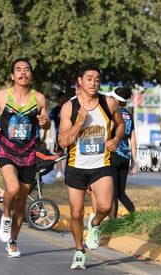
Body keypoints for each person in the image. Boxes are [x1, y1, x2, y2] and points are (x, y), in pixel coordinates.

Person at [57, 64, 125, 270]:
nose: (94, 83)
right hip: (76, 166)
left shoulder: (108, 102)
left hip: (101, 164)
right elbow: (62, 141)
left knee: (105, 206)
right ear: (80, 81)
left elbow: (120, 124)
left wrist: (116, 139)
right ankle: (79, 251)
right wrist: (79, 123)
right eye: (89, 79)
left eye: (97, 79)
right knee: (76, 213)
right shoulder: (70, 107)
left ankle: (94, 224)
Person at [0, 58, 50, 258]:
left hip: (29, 154)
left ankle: (13, 241)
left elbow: (45, 124)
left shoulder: (39, 98)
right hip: (6, 150)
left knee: (21, 201)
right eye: (18, 70)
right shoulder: (2, 96)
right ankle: (5, 217)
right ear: (13, 76)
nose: (23, 73)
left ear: (31, 75)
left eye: (27, 70)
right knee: (12, 188)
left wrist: (45, 122)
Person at [107, 87, 136, 219]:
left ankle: (113, 223)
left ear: (116, 100)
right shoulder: (129, 116)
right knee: (121, 193)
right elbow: (133, 139)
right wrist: (134, 160)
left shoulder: (115, 114)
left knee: (112, 193)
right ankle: (136, 216)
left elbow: (109, 131)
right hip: (125, 157)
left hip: (113, 155)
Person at [49, 92, 67, 180]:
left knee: (69, 153)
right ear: (59, 99)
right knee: (58, 154)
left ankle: (68, 171)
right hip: (58, 134)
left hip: (68, 134)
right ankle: (59, 171)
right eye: (63, 98)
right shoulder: (55, 110)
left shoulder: (68, 108)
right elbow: (49, 119)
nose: (64, 99)